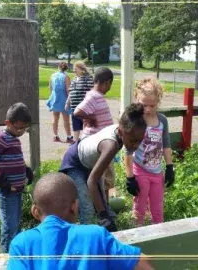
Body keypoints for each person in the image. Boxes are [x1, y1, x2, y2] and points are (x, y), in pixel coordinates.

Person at [7, 172, 154, 270]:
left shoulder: (22, 244)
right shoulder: (95, 235)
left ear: (35, 212)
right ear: (75, 206)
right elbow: (144, 264)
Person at [59, 103, 147, 231]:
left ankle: (106, 231)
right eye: (133, 141)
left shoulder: (123, 131)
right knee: (88, 209)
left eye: (140, 141)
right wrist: (103, 215)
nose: (135, 145)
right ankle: (85, 242)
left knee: (103, 205)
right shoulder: (110, 145)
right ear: (122, 132)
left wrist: (130, 178)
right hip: (74, 164)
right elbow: (91, 182)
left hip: (89, 164)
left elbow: (128, 151)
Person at [0, 102, 34, 254]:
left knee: (15, 224)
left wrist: (25, 169)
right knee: (9, 227)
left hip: (16, 191)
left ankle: (13, 255)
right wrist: (1, 178)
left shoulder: (13, 136)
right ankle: (5, 257)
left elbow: (14, 158)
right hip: (7, 191)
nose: (22, 131)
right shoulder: (1, 138)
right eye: (18, 127)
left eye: (24, 128)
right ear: (7, 123)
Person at [124, 78, 175, 227]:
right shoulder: (135, 121)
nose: (147, 109)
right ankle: (137, 233)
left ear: (158, 102)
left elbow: (166, 144)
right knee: (139, 207)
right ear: (136, 99)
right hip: (140, 171)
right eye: (143, 105)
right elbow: (128, 151)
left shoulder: (162, 120)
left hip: (157, 172)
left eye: (152, 105)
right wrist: (130, 178)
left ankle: (158, 233)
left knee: (157, 207)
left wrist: (170, 167)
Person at [73, 66, 116, 202]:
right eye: (110, 84)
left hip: (102, 144)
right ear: (107, 83)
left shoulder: (97, 96)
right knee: (105, 177)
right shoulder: (94, 96)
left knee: (106, 178)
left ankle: (104, 204)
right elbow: (77, 112)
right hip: (99, 146)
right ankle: (103, 206)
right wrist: (91, 118)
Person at [66, 61, 94, 141]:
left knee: (86, 126)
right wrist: (67, 103)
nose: (74, 70)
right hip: (74, 108)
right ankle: (75, 143)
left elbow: (92, 92)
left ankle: (86, 142)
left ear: (82, 70)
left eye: (76, 69)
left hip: (84, 108)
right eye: (74, 69)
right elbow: (71, 92)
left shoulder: (88, 78)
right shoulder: (74, 79)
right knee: (76, 126)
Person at [47, 62, 73, 143]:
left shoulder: (52, 75)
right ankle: (69, 136)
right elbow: (68, 90)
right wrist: (70, 100)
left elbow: (50, 88)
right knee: (66, 120)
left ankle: (55, 136)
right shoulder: (66, 77)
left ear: (58, 67)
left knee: (55, 118)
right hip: (63, 99)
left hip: (55, 99)